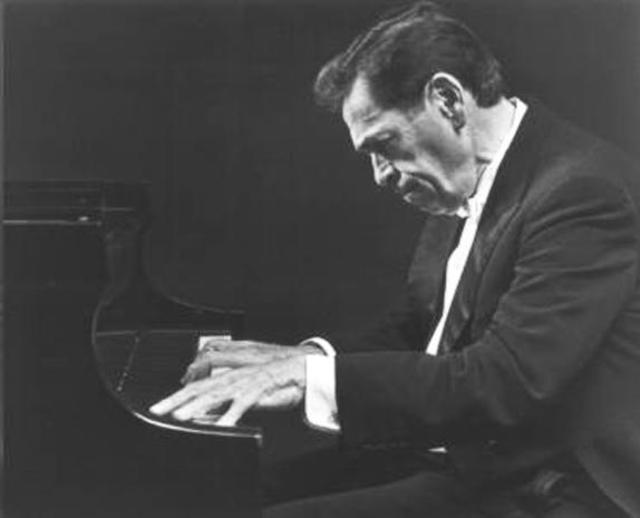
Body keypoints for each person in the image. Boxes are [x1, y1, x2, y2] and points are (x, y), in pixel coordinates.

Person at [149, 2, 640, 516]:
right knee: (226, 496)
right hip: (470, 457)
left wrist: (304, 379)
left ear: (448, 101)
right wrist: (301, 358)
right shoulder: (468, 177)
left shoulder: (582, 192)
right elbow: (418, 330)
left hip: (552, 487)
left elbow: (504, 382)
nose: (381, 175)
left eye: (385, 145)